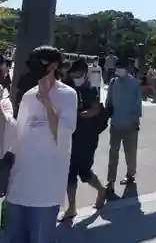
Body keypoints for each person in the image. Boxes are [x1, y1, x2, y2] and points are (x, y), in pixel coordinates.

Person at [5, 46, 78, 243]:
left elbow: (62, 132)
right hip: (19, 185)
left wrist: (47, 101)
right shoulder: (28, 95)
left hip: (46, 188)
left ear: (53, 65)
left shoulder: (68, 95)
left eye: (40, 62)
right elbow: (18, 136)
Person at [62, 59, 106, 220]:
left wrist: (78, 115)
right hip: (70, 135)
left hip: (87, 136)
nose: (77, 76)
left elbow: (94, 110)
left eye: (80, 74)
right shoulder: (66, 86)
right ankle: (71, 207)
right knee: (69, 172)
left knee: (84, 171)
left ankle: (101, 190)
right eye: (75, 73)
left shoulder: (91, 89)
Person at [105, 57, 142, 198]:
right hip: (115, 123)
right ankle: (110, 182)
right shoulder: (113, 82)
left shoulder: (134, 84)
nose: (118, 70)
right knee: (113, 153)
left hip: (130, 125)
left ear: (127, 69)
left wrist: (135, 119)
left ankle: (130, 174)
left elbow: (137, 104)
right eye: (117, 67)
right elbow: (109, 102)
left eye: (121, 67)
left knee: (130, 153)